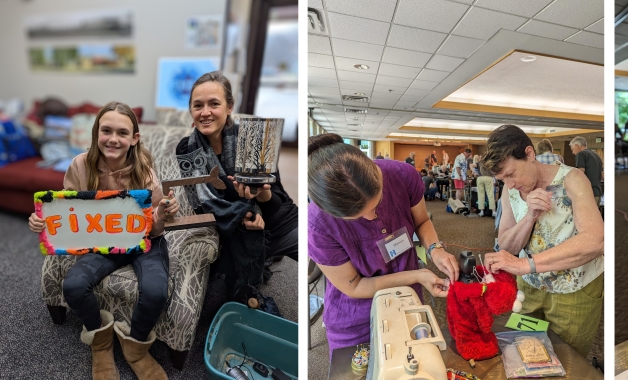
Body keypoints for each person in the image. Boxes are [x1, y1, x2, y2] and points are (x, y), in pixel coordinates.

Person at [28, 102, 178, 379]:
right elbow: (66, 210)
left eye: (122, 133)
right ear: (96, 132)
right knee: (73, 286)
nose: (113, 138)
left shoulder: (145, 170)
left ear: (134, 138)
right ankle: (101, 342)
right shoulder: (80, 165)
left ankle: (136, 349)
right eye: (106, 130)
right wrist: (43, 221)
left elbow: (156, 227)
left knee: (156, 291)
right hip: (103, 243)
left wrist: (161, 213)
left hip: (145, 241)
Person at [308, 133, 459, 351]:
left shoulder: (402, 175)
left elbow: (423, 220)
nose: (372, 217)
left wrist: (436, 250)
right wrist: (418, 275)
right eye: (359, 216)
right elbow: (355, 285)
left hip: (407, 300)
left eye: (377, 203)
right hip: (356, 317)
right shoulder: (316, 224)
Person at [175, 71, 298, 305]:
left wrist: (262, 194)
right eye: (198, 105)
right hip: (231, 230)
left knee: (318, 250)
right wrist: (244, 216)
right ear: (191, 110)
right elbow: (200, 204)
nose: (205, 112)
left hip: (277, 222)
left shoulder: (253, 138)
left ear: (229, 106)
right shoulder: (187, 149)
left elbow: (277, 201)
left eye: (214, 104)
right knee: (235, 298)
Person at [481, 125, 604, 357]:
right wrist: (529, 217)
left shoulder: (572, 179)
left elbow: (596, 240)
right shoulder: (511, 191)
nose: (509, 184)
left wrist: (525, 264)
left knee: (569, 361)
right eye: (501, 179)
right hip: (529, 289)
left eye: (510, 174)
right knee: (527, 354)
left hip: (573, 291)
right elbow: (506, 246)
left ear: (529, 154)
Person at [570, 136, 604, 204]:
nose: (573, 152)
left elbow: (580, 173)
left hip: (587, 192)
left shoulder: (581, 154)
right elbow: (603, 175)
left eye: (572, 149)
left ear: (577, 145)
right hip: (597, 191)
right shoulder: (596, 155)